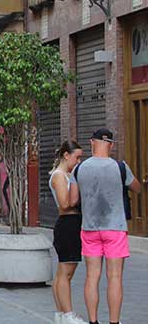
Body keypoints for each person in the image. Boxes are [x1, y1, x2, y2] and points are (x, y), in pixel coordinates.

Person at [75, 128, 141, 324]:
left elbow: (71, 199)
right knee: (114, 277)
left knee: (92, 277)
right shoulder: (120, 167)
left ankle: (93, 321)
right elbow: (137, 187)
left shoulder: (80, 168)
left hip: (89, 228)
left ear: (91, 142)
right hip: (115, 228)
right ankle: (114, 322)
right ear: (111, 145)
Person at [49, 140, 85, 324]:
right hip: (68, 224)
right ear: (66, 155)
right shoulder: (60, 176)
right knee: (66, 272)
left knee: (63, 272)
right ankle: (68, 314)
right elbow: (65, 204)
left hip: (71, 224)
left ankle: (61, 313)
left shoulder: (67, 175)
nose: (79, 161)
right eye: (77, 157)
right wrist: (78, 191)